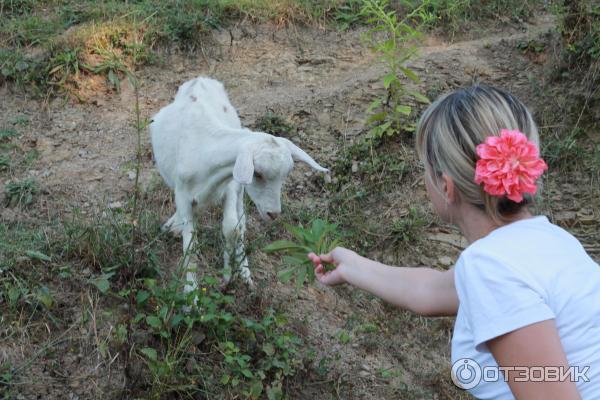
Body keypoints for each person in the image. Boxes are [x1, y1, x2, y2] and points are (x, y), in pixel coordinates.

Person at [308, 85, 600, 399]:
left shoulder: (492, 267)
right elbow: (431, 291)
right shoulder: (550, 241)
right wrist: (352, 267)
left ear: (447, 187)